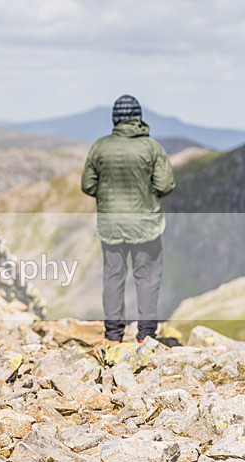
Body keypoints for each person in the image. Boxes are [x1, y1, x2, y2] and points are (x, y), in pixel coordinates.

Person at [81, 95, 176, 343]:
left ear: (115, 118)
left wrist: (107, 194)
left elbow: (88, 185)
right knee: (147, 277)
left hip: (111, 226)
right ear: (138, 118)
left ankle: (113, 336)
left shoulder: (99, 147)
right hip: (146, 226)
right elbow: (165, 186)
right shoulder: (152, 147)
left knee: (113, 276)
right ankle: (145, 336)